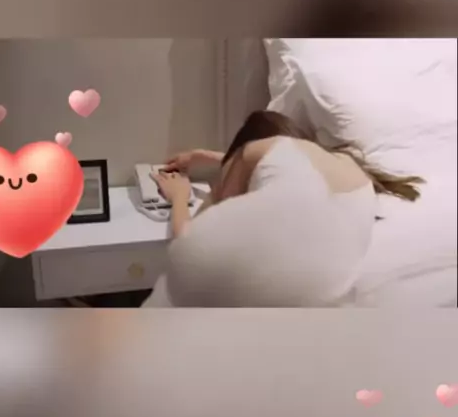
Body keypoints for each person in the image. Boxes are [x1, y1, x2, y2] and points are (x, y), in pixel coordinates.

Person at [148, 111, 424, 307]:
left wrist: (179, 196)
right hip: (325, 289)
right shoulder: (340, 165)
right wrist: (202, 156)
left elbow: (191, 236)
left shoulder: (253, 153)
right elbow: (273, 164)